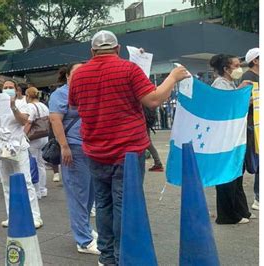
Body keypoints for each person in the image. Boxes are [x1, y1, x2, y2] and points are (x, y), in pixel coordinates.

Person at [69, 30, 189, 265]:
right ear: (118, 48)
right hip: (128, 151)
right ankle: (122, 255)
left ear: (92, 51)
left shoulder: (80, 75)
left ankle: (106, 257)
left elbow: (74, 104)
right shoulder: (128, 70)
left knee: (103, 203)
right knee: (125, 203)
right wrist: (173, 77)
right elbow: (153, 100)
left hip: (94, 150)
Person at [0, 80, 43, 229]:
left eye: (10, 87)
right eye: (5, 87)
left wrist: (13, 106)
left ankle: (34, 216)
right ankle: (12, 215)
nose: (7, 89)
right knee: (6, 183)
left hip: (18, 145)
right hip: (2, 145)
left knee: (26, 181)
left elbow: (23, 121)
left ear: (16, 90)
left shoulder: (23, 103)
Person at [49, 63, 99, 255]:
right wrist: (64, 146)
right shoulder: (60, 94)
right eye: (76, 73)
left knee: (90, 194)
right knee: (78, 194)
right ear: (68, 76)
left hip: (92, 147)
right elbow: (55, 120)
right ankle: (84, 241)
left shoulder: (90, 90)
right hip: (74, 148)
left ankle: (84, 229)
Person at [209, 54, 255, 224]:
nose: (239, 68)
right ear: (226, 69)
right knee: (228, 177)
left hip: (233, 138)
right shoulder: (220, 85)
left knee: (236, 175)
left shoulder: (229, 84)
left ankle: (241, 210)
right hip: (225, 140)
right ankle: (228, 215)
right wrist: (241, 92)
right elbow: (226, 107)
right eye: (235, 65)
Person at [24, 87, 50, 199]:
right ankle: (43, 189)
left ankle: (36, 191)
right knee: (41, 164)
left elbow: (29, 122)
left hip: (34, 138)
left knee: (33, 163)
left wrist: (23, 135)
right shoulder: (44, 105)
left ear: (28, 96)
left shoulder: (30, 106)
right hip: (44, 136)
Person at [243, 48, 260, 211]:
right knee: (258, 161)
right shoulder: (248, 77)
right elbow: (245, 101)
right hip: (253, 125)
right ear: (255, 60)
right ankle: (258, 197)